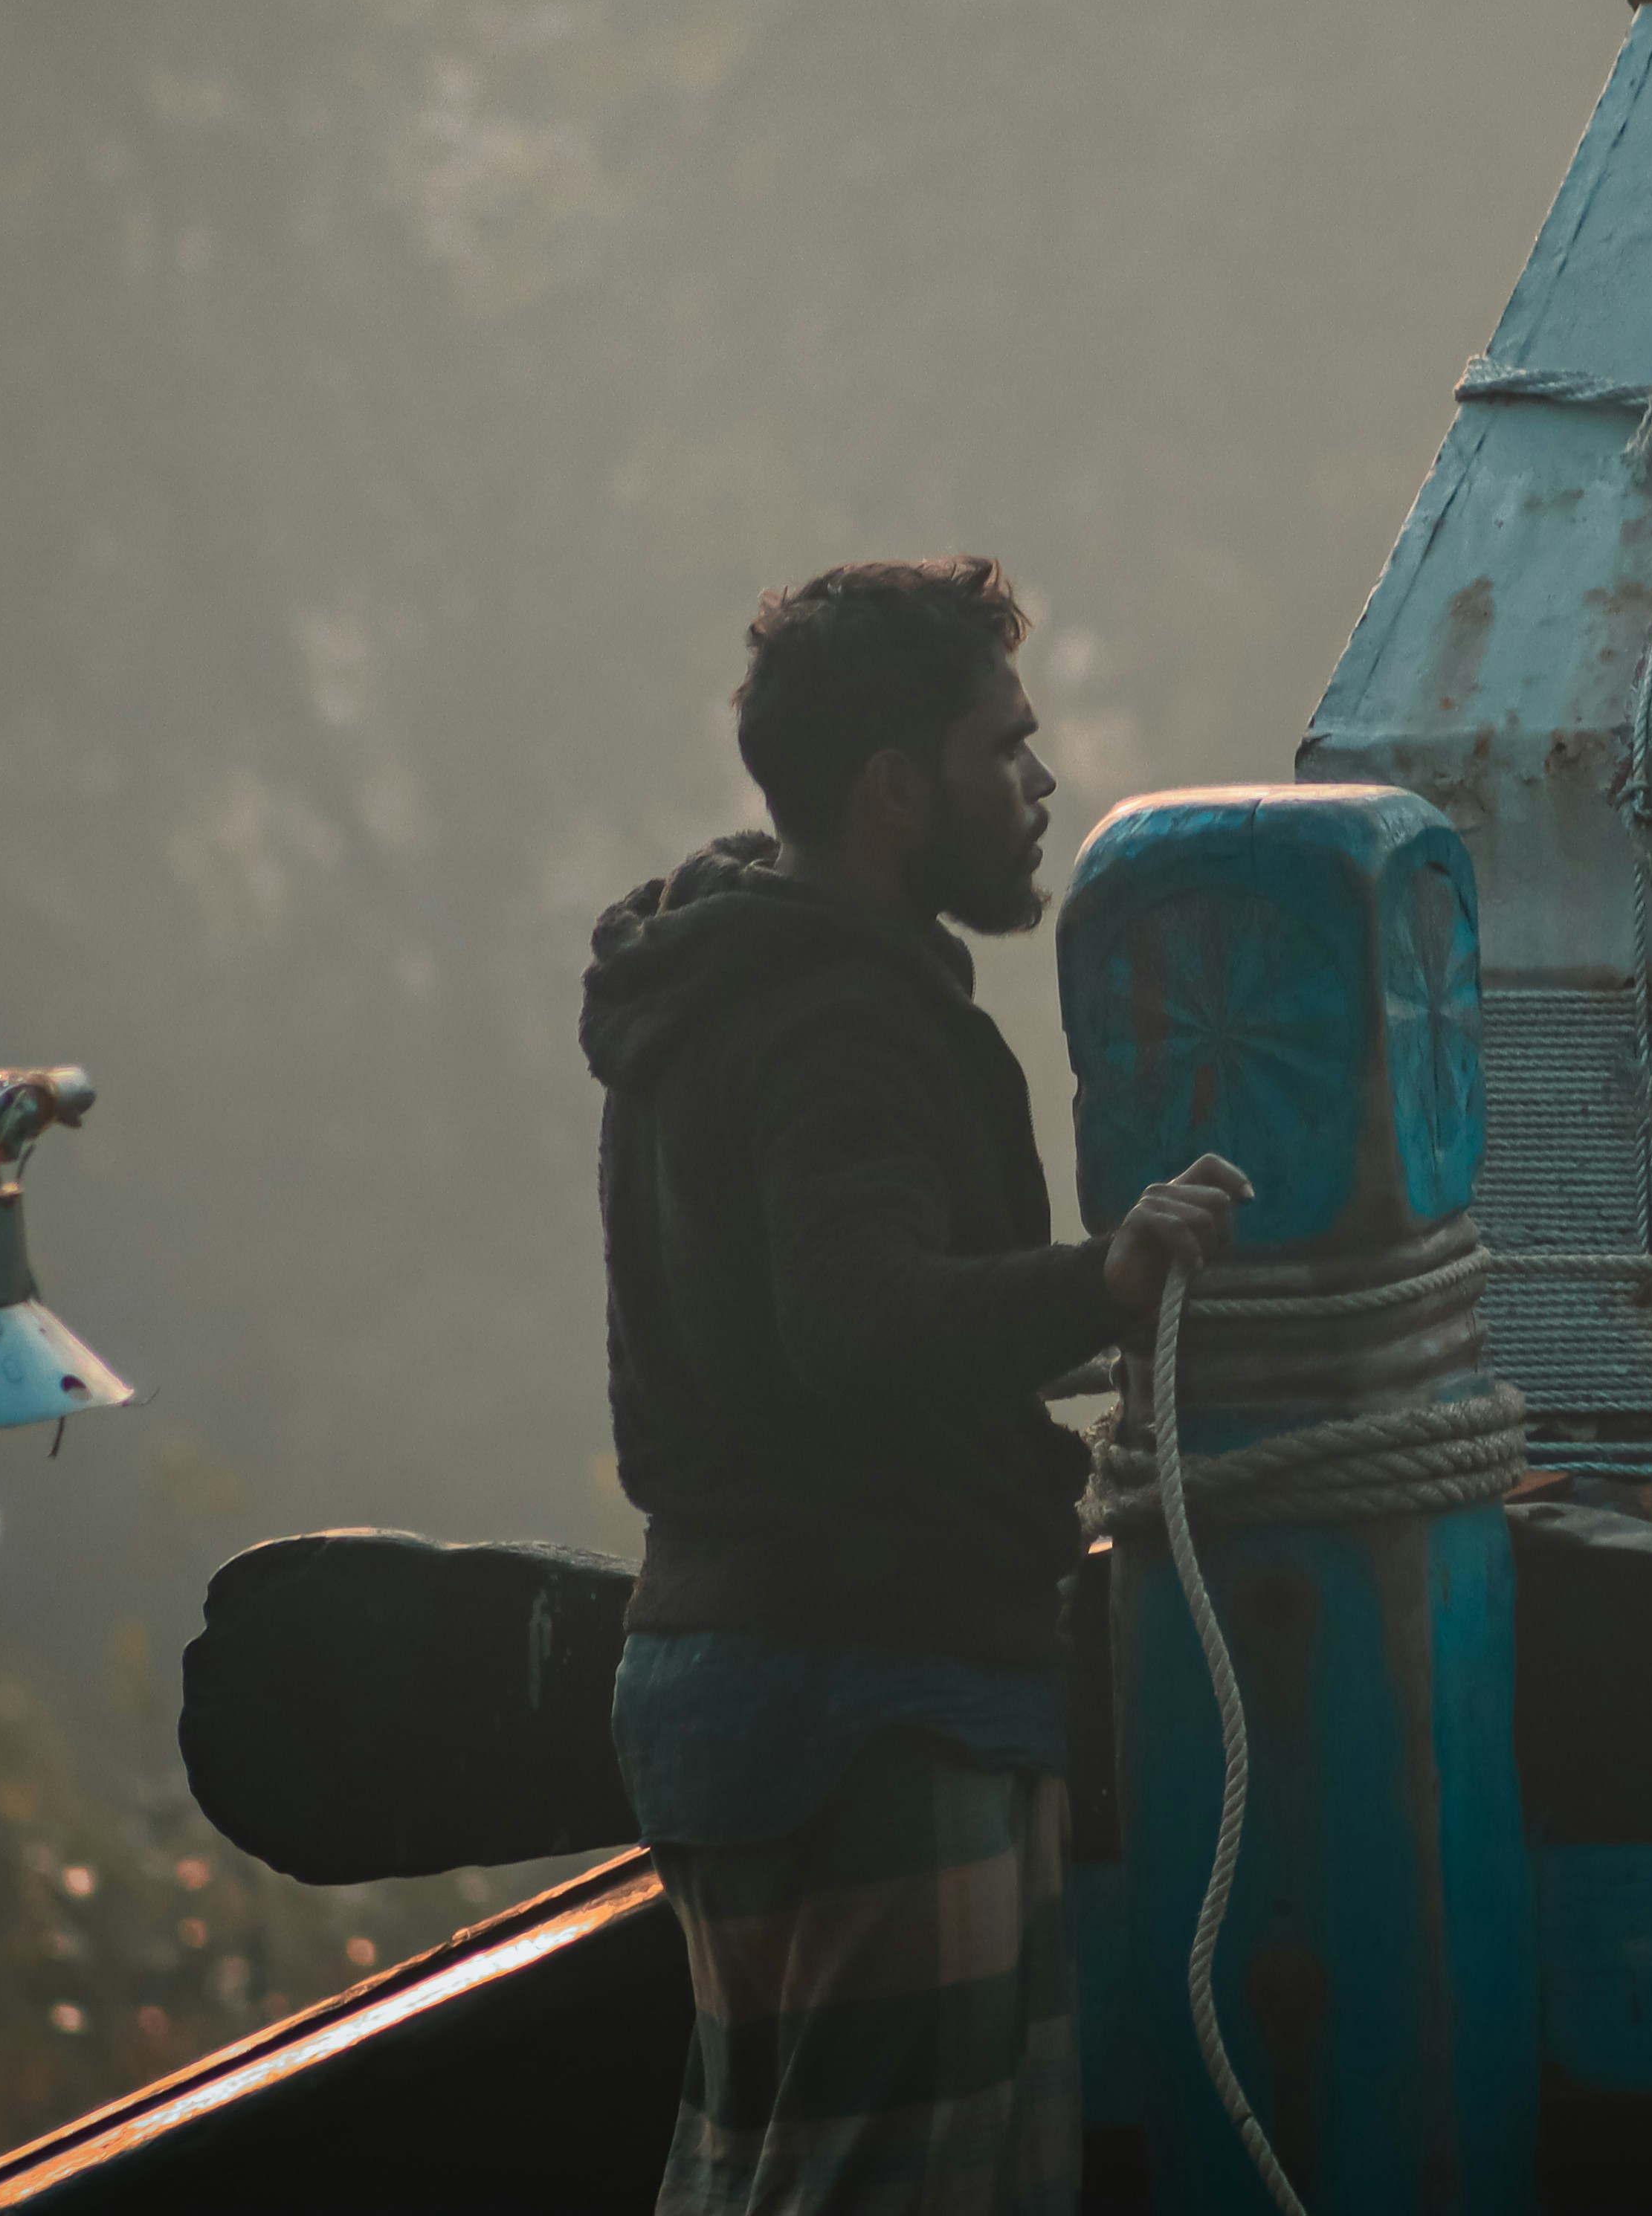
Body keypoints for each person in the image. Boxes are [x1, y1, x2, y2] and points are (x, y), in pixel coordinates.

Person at [581, 555, 1245, 2216]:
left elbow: (794, 1344)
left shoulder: (714, 984)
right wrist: (1108, 1277)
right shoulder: (839, 1022)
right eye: (1001, 747)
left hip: (731, 1676)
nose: (1039, 784)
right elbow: (859, 1323)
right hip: (874, 1700)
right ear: (895, 790)